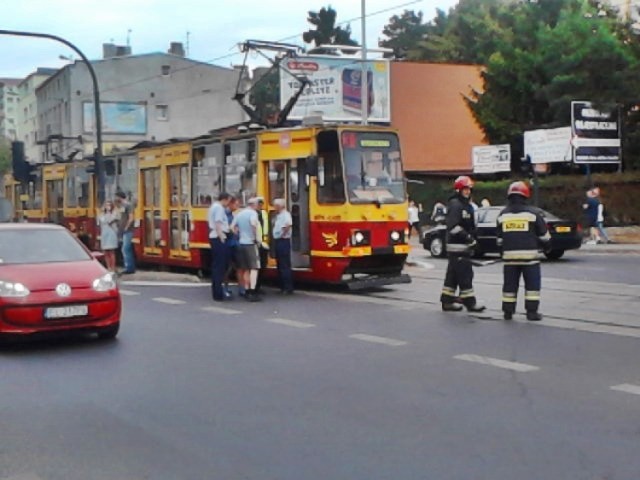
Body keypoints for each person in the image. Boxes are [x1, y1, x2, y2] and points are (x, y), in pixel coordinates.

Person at [497, 181, 551, 321]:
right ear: (526, 196)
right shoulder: (533, 214)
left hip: (509, 259)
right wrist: (547, 248)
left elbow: (499, 240)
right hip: (530, 258)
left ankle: (508, 312)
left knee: (509, 287)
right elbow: (544, 236)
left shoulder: (502, 215)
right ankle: (531, 313)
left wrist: (502, 253)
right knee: (532, 287)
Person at [440, 176, 485, 313]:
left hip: (462, 248)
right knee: (466, 275)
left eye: (469, 189)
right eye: (465, 189)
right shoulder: (455, 204)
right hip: (457, 247)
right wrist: (469, 238)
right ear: (459, 190)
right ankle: (470, 302)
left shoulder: (467, 206)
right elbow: (453, 226)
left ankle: (447, 301)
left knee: (453, 276)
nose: (467, 192)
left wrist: (473, 239)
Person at [230, 197, 262, 302]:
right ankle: (252, 291)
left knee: (246, 269)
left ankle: (246, 289)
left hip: (241, 243)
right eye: (257, 204)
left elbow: (232, 227)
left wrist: (238, 234)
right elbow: (253, 225)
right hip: (250, 244)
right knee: (254, 268)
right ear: (253, 205)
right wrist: (255, 237)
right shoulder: (253, 214)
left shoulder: (240, 214)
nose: (258, 206)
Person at [209, 192, 231, 302]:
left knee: (217, 266)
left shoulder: (213, 206)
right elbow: (218, 223)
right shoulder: (219, 208)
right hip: (218, 237)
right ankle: (218, 294)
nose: (228, 204)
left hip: (214, 237)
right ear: (225, 199)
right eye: (228, 201)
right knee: (220, 266)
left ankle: (216, 292)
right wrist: (222, 237)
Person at [272, 198, 294, 294]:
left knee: (284, 265)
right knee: (280, 264)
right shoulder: (279, 215)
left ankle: (287, 287)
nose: (274, 207)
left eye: (275, 205)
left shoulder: (285, 214)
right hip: (279, 240)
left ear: (279, 206)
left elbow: (288, 225)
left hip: (283, 241)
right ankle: (282, 286)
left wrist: (282, 234)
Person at [223, 195, 240, 298]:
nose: (238, 206)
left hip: (233, 243)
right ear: (231, 204)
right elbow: (227, 229)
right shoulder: (226, 215)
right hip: (229, 244)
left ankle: (228, 288)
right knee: (228, 267)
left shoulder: (232, 215)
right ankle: (225, 288)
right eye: (236, 204)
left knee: (234, 266)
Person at [115, 191, 136, 274]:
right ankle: (128, 266)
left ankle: (129, 267)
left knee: (125, 248)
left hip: (127, 230)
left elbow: (131, 217)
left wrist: (127, 227)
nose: (115, 198)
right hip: (121, 230)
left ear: (120, 197)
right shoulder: (120, 206)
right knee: (125, 248)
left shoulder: (128, 205)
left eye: (116, 197)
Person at [98, 199, 119, 272]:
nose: (108, 206)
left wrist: (109, 213)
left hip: (112, 233)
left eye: (109, 205)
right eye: (106, 205)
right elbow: (101, 221)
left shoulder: (114, 213)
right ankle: (108, 267)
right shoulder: (101, 214)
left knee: (111, 251)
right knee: (105, 251)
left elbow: (110, 220)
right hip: (104, 233)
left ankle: (113, 267)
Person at [254, 197, 270, 295]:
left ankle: (259, 286)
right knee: (256, 266)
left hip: (264, 243)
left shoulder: (264, 213)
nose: (260, 205)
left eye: (261, 203)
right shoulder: (252, 214)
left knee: (263, 265)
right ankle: (254, 287)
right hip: (256, 243)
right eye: (258, 204)